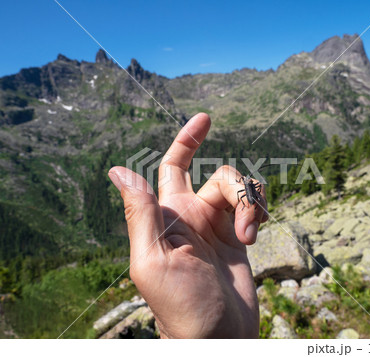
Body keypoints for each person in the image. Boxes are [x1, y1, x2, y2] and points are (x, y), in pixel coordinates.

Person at [108, 113, 268, 338]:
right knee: (244, 193)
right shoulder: (243, 190)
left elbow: (244, 192)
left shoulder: (243, 189)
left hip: (245, 198)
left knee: (244, 192)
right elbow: (244, 192)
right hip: (245, 199)